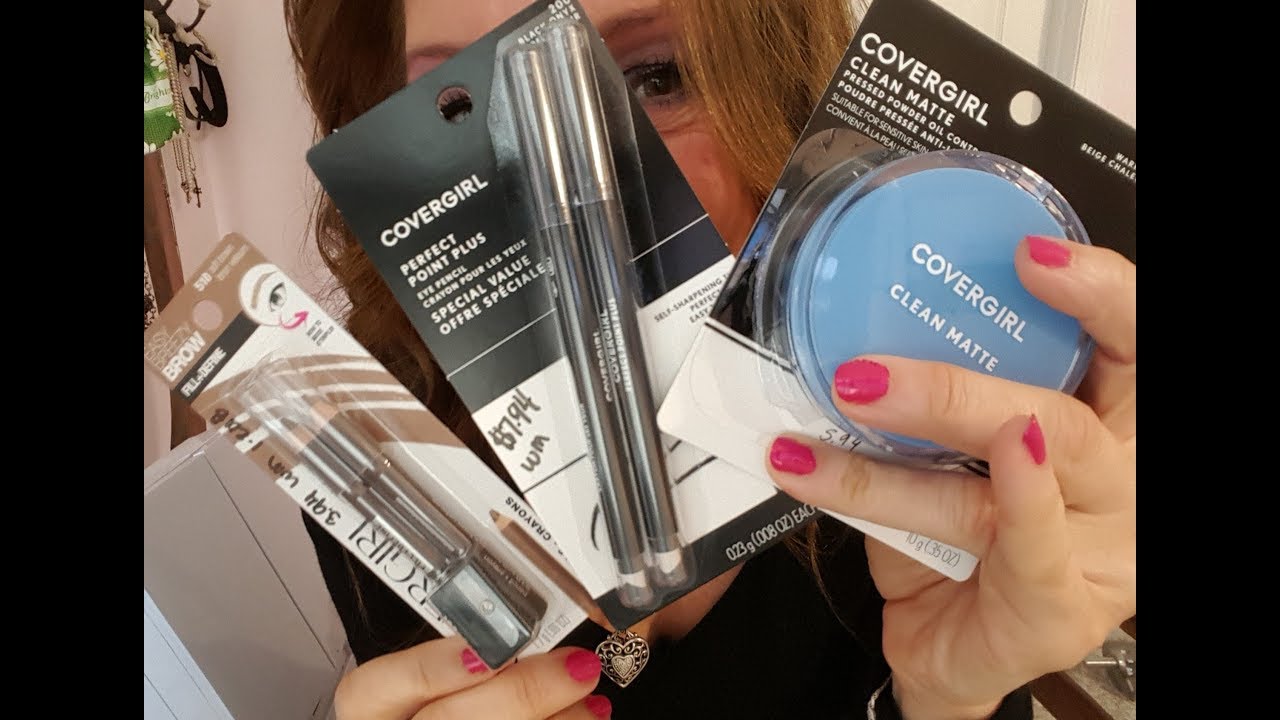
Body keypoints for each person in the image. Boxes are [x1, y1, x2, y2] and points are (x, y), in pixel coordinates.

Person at [283, 0, 1137, 717]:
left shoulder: (906, 440)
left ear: (783, 89)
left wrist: (946, 701)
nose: (553, 186)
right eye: (455, 109)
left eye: (653, 79)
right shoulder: (372, 430)